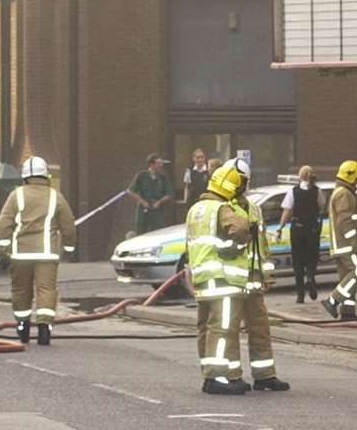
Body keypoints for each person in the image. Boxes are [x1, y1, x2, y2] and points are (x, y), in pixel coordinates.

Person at [186, 157, 287, 395]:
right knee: (222, 328)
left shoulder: (247, 208)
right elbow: (239, 235)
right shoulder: (223, 208)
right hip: (226, 278)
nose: (244, 186)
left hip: (243, 278)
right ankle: (220, 376)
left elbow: (261, 245)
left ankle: (264, 376)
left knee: (257, 326)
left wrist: (266, 275)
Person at [0, 156, 77, 346]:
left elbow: (4, 224)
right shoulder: (55, 196)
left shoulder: (16, 195)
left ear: (24, 177)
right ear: (45, 175)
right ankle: (44, 328)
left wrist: (3, 248)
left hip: (21, 254)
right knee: (46, 290)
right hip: (47, 254)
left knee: (21, 290)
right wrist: (68, 248)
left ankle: (23, 325)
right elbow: (69, 226)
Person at [324, 159, 357, 320]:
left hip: (340, 246)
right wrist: (354, 242)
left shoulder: (340, 192)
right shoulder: (344, 194)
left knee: (347, 278)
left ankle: (347, 312)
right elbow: (344, 220)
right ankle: (333, 300)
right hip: (347, 245)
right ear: (351, 177)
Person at [279, 165, 323, 303]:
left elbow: (287, 211)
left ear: (300, 176)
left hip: (297, 229)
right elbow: (321, 206)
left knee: (297, 261)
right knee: (312, 256)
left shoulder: (293, 192)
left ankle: (300, 295)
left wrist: (280, 227)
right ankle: (310, 277)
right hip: (312, 229)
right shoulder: (317, 191)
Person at [128, 154, 174, 235]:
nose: (161, 165)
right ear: (151, 164)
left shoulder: (163, 178)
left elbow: (169, 193)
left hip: (157, 210)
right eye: (158, 163)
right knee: (141, 233)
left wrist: (159, 202)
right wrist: (142, 201)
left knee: (158, 232)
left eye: (161, 163)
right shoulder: (141, 175)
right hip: (143, 210)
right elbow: (130, 191)